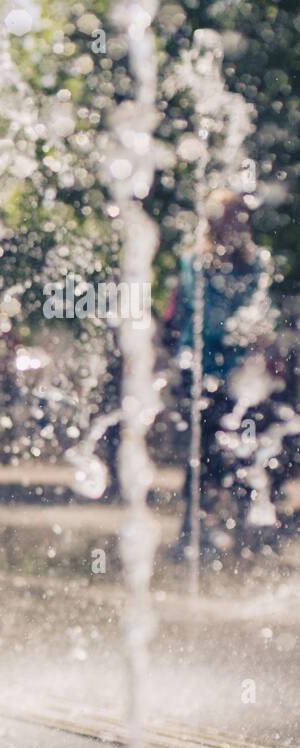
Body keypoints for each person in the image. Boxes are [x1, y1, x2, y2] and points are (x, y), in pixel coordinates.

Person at [164, 189, 269, 558]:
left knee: (242, 455)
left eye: (241, 217)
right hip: (200, 376)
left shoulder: (256, 266)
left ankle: (241, 532)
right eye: (229, 217)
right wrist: (236, 334)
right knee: (201, 458)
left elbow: (257, 313)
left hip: (242, 378)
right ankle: (191, 532)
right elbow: (203, 322)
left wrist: (256, 340)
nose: (236, 224)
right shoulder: (195, 263)